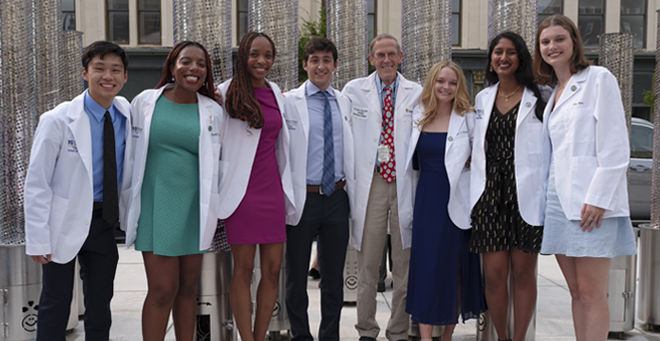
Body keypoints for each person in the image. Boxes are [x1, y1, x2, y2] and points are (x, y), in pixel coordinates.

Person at [534, 14, 637, 340]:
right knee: (576, 291)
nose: (552, 46)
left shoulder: (598, 78)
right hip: (559, 201)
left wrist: (597, 198)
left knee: (592, 293)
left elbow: (616, 147)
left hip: (590, 203)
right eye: (546, 41)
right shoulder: (555, 92)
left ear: (574, 42)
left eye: (559, 39)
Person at [24, 41, 131, 341]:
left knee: (100, 304)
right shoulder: (57, 120)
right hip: (62, 222)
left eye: (115, 70)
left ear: (125, 78)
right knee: (55, 302)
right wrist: (37, 237)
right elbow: (37, 183)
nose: (107, 76)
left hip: (103, 221)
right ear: (85, 73)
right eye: (99, 69)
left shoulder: (127, 114)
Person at [123, 41, 224, 341]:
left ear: (207, 73)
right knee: (162, 289)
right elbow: (128, 152)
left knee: (188, 289)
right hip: (157, 204)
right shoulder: (144, 102)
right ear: (172, 66)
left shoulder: (213, 111)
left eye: (201, 64)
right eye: (186, 61)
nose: (193, 68)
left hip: (195, 207)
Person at [468, 31, 549, 341]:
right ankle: (501, 337)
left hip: (525, 194)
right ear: (490, 59)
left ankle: (519, 339)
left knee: (525, 274)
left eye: (511, 52)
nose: (503, 57)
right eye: (498, 52)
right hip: (489, 196)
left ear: (521, 58)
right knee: (493, 276)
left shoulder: (541, 96)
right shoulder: (483, 98)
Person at [342, 33, 422, 341]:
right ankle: (366, 330)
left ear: (401, 57)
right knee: (367, 264)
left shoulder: (416, 92)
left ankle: (399, 331)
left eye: (391, 54)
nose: (386, 60)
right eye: (380, 55)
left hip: (405, 183)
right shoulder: (353, 91)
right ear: (370, 59)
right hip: (372, 182)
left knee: (404, 266)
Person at [217, 31, 296, 341]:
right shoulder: (224, 94)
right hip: (242, 194)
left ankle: (260, 336)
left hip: (272, 191)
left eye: (268, 55)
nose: (261, 61)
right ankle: (246, 337)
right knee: (244, 269)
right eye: (254, 54)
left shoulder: (277, 92)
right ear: (243, 57)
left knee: (274, 269)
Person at [404, 61, 485, 341]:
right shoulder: (418, 117)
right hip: (427, 200)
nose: (446, 87)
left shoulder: (469, 118)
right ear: (431, 84)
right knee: (427, 267)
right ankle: (426, 336)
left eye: (452, 82)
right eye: (441, 81)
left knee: (455, 269)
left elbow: (480, 160)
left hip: (458, 202)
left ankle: (447, 334)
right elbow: (410, 165)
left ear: (459, 87)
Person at [282, 36, 355, 341]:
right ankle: (300, 335)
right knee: (297, 276)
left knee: (333, 279)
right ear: (305, 64)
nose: (320, 66)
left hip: (337, 197)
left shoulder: (345, 101)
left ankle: (329, 336)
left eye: (326, 60)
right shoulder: (289, 101)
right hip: (304, 197)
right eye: (314, 60)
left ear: (335, 65)